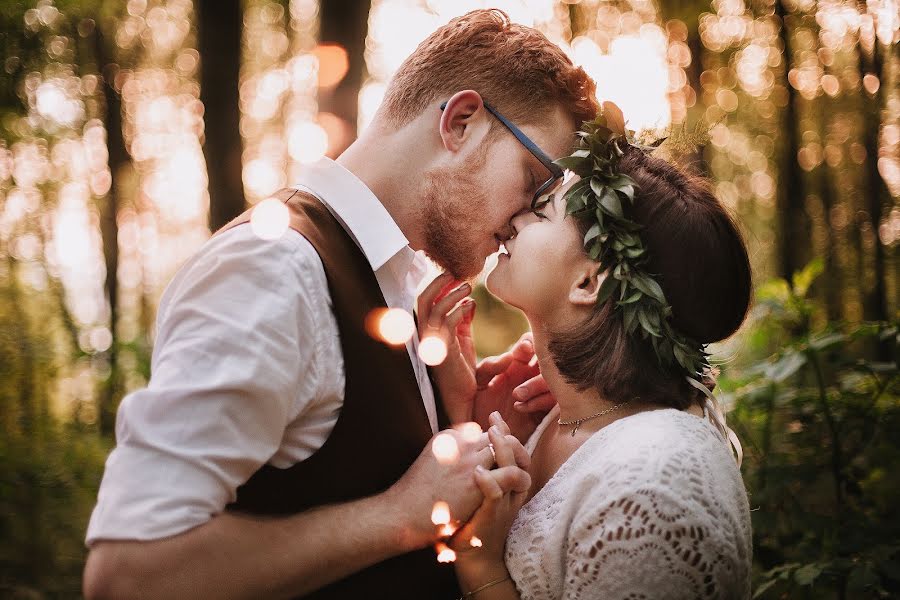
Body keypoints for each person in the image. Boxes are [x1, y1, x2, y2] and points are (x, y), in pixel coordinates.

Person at [82, 10, 599, 600]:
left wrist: (467, 417)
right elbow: (127, 575)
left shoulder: (400, 282)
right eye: (533, 180)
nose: (523, 222)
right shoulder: (273, 272)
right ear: (461, 122)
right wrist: (400, 516)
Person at [422, 106, 754, 599]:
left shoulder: (656, 490)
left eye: (542, 210)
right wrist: (464, 410)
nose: (513, 218)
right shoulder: (561, 415)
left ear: (588, 281)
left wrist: (480, 565)